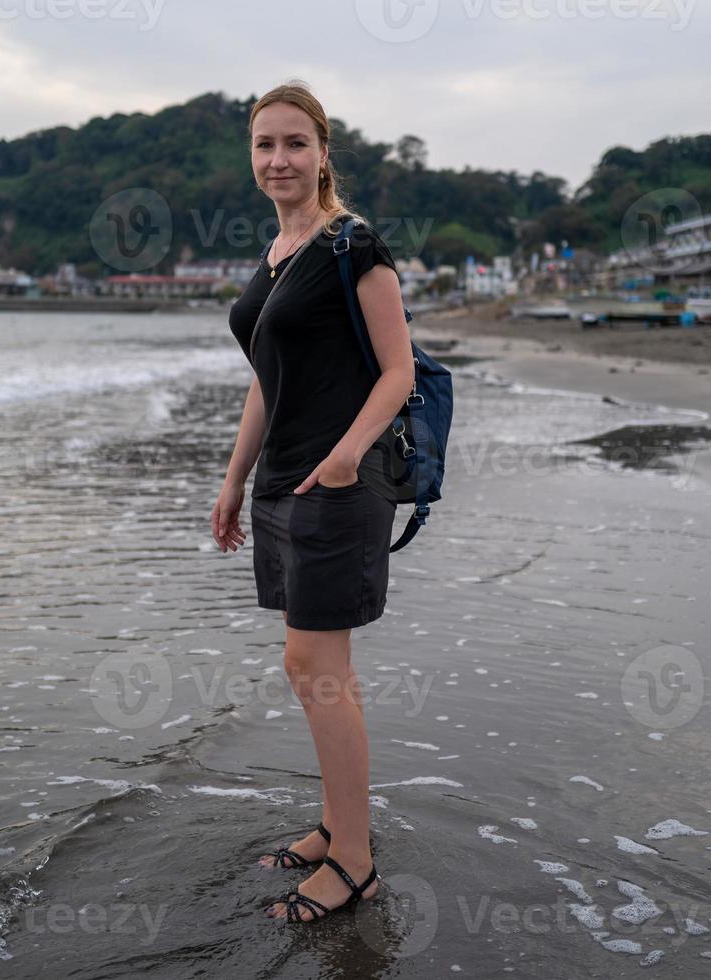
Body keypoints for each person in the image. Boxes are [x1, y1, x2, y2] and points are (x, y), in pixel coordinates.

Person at [210, 80, 415, 924]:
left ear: (323, 151)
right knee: (322, 672)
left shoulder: (351, 246)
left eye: (294, 143)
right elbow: (268, 382)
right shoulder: (276, 253)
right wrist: (231, 479)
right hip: (280, 481)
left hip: (336, 483)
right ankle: (336, 827)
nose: (277, 160)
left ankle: (356, 864)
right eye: (264, 145)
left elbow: (397, 371)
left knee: (312, 668)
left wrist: (341, 458)